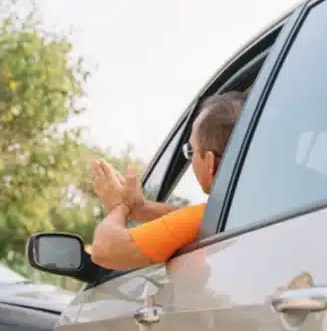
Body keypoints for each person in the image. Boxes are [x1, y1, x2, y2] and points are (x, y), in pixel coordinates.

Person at [88, 90, 246, 270]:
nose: (191, 159)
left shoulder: (212, 216)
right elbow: (188, 222)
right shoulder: (246, 211)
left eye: (191, 151)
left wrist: (119, 208)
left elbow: (105, 250)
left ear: (210, 163)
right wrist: (140, 208)